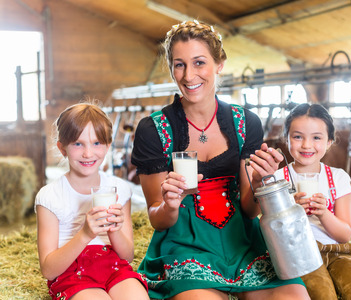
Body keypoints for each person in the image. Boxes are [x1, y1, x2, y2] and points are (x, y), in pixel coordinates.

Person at [131, 20, 310, 299]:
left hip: (243, 241)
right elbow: (158, 219)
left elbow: (249, 210)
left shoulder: (245, 123)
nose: (189, 75)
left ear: (219, 64)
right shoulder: (152, 129)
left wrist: (262, 182)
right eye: (179, 64)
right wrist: (169, 204)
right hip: (185, 245)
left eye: (199, 62)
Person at [255, 103, 351, 299]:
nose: (306, 145)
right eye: (297, 137)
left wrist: (323, 212)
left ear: (329, 141)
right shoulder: (277, 179)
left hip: (340, 253)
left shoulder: (338, 178)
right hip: (299, 254)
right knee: (322, 295)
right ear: (286, 139)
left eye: (316, 138)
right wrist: (291, 211)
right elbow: (273, 234)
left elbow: (344, 235)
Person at [35, 102, 149, 300]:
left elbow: (127, 256)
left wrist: (114, 230)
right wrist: (86, 234)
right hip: (71, 272)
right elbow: (49, 270)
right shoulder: (49, 196)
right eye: (78, 144)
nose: (88, 153)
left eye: (97, 143)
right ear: (62, 148)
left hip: (114, 268)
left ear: (108, 145)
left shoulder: (120, 190)